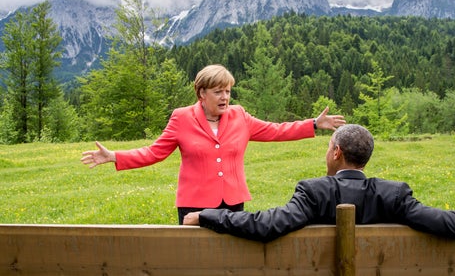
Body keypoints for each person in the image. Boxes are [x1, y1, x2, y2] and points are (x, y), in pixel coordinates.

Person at [81, 64, 346, 225]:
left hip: (232, 202)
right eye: (218, 91)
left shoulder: (240, 115)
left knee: (231, 259)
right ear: (201, 93)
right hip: (194, 203)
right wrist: (115, 156)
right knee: (195, 261)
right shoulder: (181, 118)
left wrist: (312, 124)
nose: (225, 97)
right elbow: (154, 152)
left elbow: (275, 130)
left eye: (228, 91)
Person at [183, 123, 455, 240]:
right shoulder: (394, 195)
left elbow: (266, 225)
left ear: (335, 152)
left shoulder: (313, 192)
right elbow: (450, 223)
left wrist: (208, 215)